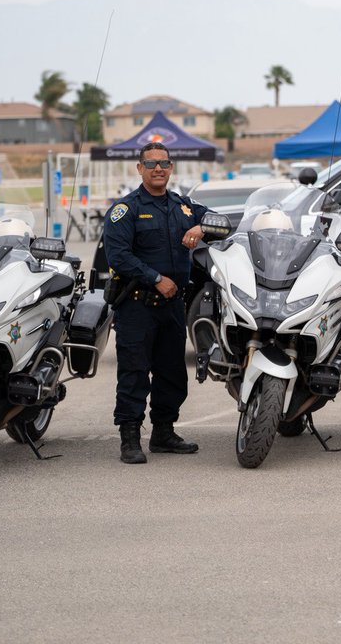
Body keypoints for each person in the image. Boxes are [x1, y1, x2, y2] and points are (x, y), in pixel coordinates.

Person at [103, 142, 209, 464]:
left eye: (163, 163)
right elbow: (118, 256)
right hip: (137, 305)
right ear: (140, 169)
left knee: (172, 372)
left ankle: (163, 433)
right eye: (150, 164)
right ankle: (130, 439)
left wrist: (202, 226)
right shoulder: (126, 210)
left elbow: (223, 223)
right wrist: (155, 278)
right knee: (134, 373)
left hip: (173, 306)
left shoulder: (184, 207)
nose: (158, 169)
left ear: (171, 167)